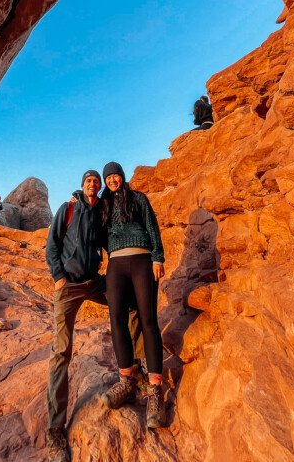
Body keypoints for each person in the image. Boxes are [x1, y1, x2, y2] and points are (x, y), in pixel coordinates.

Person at [45, 170, 143, 462]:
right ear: (82, 185)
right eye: (89, 181)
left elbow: (111, 240)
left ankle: (134, 372)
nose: (93, 184)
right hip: (69, 287)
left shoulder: (101, 212)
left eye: (96, 182)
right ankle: (54, 430)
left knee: (132, 304)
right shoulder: (69, 208)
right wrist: (59, 277)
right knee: (61, 351)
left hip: (94, 281)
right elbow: (51, 245)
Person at [99, 161, 167, 429]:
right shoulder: (104, 205)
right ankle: (127, 379)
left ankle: (155, 390)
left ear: (121, 176)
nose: (112, 180)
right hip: (115, 264)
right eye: (108, 177)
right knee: (116, 319)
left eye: (115, 175)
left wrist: (158, 257)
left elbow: (152, 227)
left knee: (148, 320)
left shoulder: (138, 198)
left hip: (141, 261)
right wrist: (78, 196)